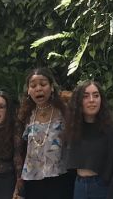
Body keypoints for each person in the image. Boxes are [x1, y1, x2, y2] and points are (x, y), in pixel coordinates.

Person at [18, 68, 74, 199]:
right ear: (28, 91)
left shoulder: (64, 111)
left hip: (60, 177)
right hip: (32, 180)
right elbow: (20, 149)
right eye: (33, 86)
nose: (38, 89)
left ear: (52, 87)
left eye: (43, 84)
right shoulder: (25, 115)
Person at [63, 80, 113, 199]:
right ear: (78, 101)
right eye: (86, 96)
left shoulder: (112, 131)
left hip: (102, 186)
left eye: (96, 95)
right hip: (79, 186)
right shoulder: (73, 129)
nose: (92, 100)